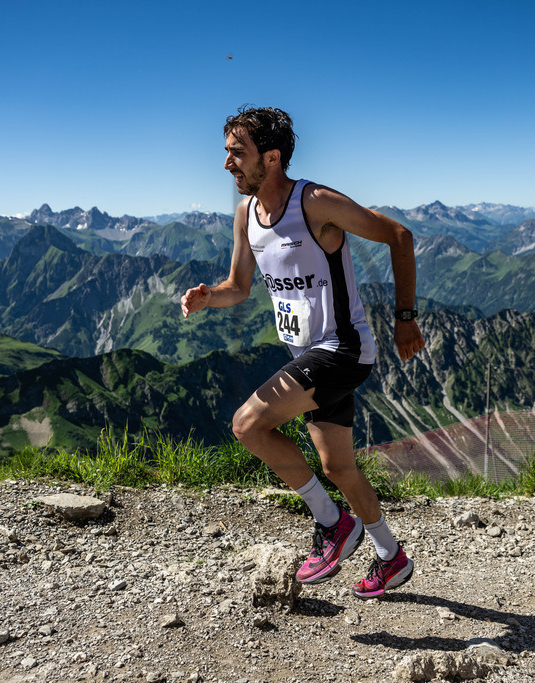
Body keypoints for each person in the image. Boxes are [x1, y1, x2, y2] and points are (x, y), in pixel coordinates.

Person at [181, 106, 425, 599]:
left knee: (247, 425)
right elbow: (239, 286)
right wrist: (210, 297)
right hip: (308, 354)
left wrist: (405, 319)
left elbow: (400, 236)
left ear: (271, 158)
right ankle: (390, 555)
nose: (227, 163)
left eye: (236, 153)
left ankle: (332, 524)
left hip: (343, 349)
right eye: (227, 152)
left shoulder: (314, 202)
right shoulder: (246, 215)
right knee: (338, 468)